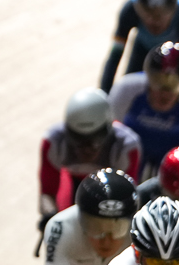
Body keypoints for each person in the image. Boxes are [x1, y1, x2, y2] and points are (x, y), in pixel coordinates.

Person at [38, 89, 140, 228]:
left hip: (108, 190)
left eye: (95, 140)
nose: (86, 150)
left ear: (109, 130)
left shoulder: (127, 147)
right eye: (78, 140)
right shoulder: (53, 142)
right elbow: (47, 193)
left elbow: (126, 199)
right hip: (74, 183)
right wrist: (51, 217)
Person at [109, 43, 179, 181]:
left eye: (175, 84)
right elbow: (109, 137)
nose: (165, 92)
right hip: (129, 153)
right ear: (148, 77)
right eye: (158, 81)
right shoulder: (125, 89)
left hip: (168, 157)